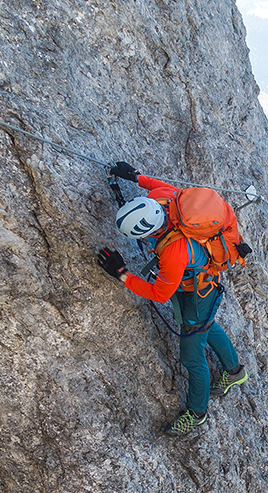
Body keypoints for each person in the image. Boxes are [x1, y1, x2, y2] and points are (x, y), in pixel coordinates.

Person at [94, 161, 252, 437]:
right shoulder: (165, 199)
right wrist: (134, 176)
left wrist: (122, 275)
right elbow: (155, 184)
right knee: (206, 325)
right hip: (203, 287)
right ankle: (235, 371)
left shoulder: (174, 253)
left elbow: (160, 293)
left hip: (196, 293)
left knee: (192, 358)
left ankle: (197, 413)